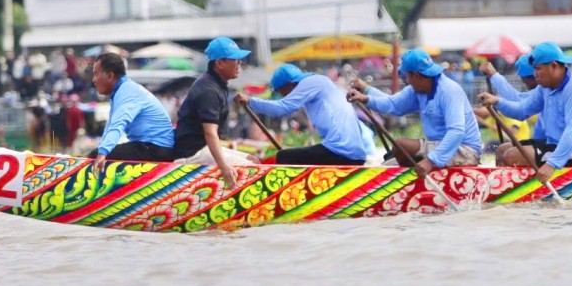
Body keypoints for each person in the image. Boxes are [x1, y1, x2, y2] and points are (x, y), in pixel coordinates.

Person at [478, 43, 572, 180]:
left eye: (537, 69)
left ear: (554, 66)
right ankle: (501, 191)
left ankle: (519, 192)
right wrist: (496, 102)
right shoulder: (545, 88)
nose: (535, 75)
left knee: (512, 155)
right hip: (553, 144)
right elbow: (521, 111)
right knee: (501, 150)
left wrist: (552, 164)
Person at [349, 49, 482, 172]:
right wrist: (366, 95)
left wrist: (430, 161)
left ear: (416, 76)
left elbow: (456, 132)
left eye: (407, 76)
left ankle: (417, 175)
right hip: (441, 148)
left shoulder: (449, 90)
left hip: (464, 150)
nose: (407, 81)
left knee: (401, 145)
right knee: (391, 159)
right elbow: (393, 104)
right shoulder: (418, 90)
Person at [235, 63, 368, 166]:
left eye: (282, 91)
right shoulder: (321, 84)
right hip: (352, 153)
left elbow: (283, 108)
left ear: (291, 84)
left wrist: (251, 101)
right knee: (298, 154)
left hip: (342, 152)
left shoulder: (310, 82)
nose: (283, 95)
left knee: (283, 157)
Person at [171, 37, 249, 187]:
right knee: (249, 168)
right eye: (235, 59)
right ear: (219, 63)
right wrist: (224, 167)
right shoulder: (208, 90)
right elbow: (210, 133)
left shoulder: (217, 84)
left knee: (254, 160)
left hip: (203, 149)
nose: (239, 63)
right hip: (192, 154)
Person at [91, 52, 176, 170]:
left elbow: (118, 125)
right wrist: (100, 150)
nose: (93, 80)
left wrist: (102, 153)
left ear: (110, 76)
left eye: (95, 74)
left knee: (95, 156)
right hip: (150, 147)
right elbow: (110, 127)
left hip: (156, 149)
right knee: (95, 154)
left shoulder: (127, 92)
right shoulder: (121, 91)